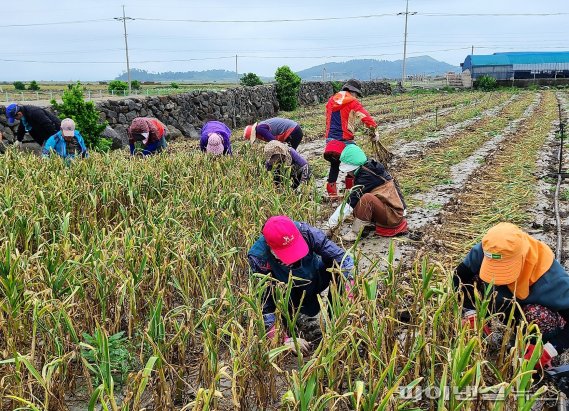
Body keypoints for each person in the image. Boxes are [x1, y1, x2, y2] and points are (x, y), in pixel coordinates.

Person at [455, 223, 569, 370]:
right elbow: (458, 278)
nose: (497, 279)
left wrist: (550, 349)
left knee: (537, 314)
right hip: (502, 304)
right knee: (473, 280)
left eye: (504, 271)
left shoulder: (551, 278)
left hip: (529, 316)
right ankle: (483, 326)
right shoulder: (488, 250)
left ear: (522, 259)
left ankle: (532, 346)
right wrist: (470, 312)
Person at [248, 215, 354, 353]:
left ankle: (335, 325)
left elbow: (344, 261)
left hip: (316, 277)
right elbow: (264, 306)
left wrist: (347, 300)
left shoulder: (308, 232)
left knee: (342, 271)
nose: (294, 258)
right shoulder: (259, 258)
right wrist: (283, 339)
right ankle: (294, 322)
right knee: (283, 313)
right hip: (288, 293)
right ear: (269, 246)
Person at [326, 145, 407, 240]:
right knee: (360, 199)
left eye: (348, 171)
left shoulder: (366, 176)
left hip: (393, 216)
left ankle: (356, 232)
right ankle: (368, 223)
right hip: (391, 210)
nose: (347, 174)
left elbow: (350, 202)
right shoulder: (368, 167)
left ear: (353, 168)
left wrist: (331, 224)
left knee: (366, 199)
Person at [324, 79, 378, 199]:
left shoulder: (331, 100)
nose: (357, 97)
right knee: (355, 164)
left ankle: (332, 196)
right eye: (357, 94)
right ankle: (350, 192)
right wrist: (374, 130)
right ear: (353, 91)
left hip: (330, 141)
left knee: (334, 165)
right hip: (345, 140)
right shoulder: (352, 101)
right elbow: (365, 117)